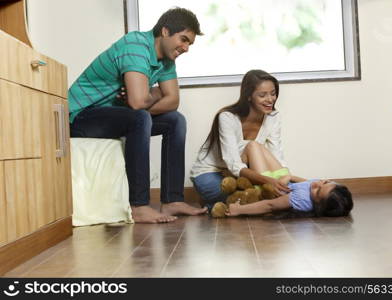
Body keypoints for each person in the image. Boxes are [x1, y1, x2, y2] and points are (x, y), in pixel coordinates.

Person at [69, 7, 207, 224]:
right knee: (140, 117)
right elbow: (138, 102)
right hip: (81, 115)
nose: (186, 48)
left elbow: (172, 101)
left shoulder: (167, 61)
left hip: (112, 116)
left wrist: (144, 97)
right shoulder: (136, 45)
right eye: (183, 39)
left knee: (175, 120)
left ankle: (172, 199)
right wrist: (153, 93)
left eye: (189, 43)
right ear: (165, 31)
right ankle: (138, 205)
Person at [190, 69, 290, 212]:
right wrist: (269, 181)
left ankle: (232, 205)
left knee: (255, 192)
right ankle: (220, 203)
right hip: (212, 172)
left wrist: (284, 179)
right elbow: (234, 164)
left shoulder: (273, 117)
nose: (270, 99)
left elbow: (276, 155)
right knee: (236, 192)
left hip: (242, 174)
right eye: (262, 95)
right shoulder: (227, 117)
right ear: (248, 96)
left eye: (273, 94)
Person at [225, 175, 353, 218]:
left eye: (318, 191)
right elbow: (307, 182)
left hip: (272, 188)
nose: (317, 183)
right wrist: (290, 176)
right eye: (325, 182)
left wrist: (239, 210)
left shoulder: (302, 200)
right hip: (284, 180)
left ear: (317, 205)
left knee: (253, 147)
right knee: (256, 147)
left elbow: (270, 205)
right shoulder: (330, 187)